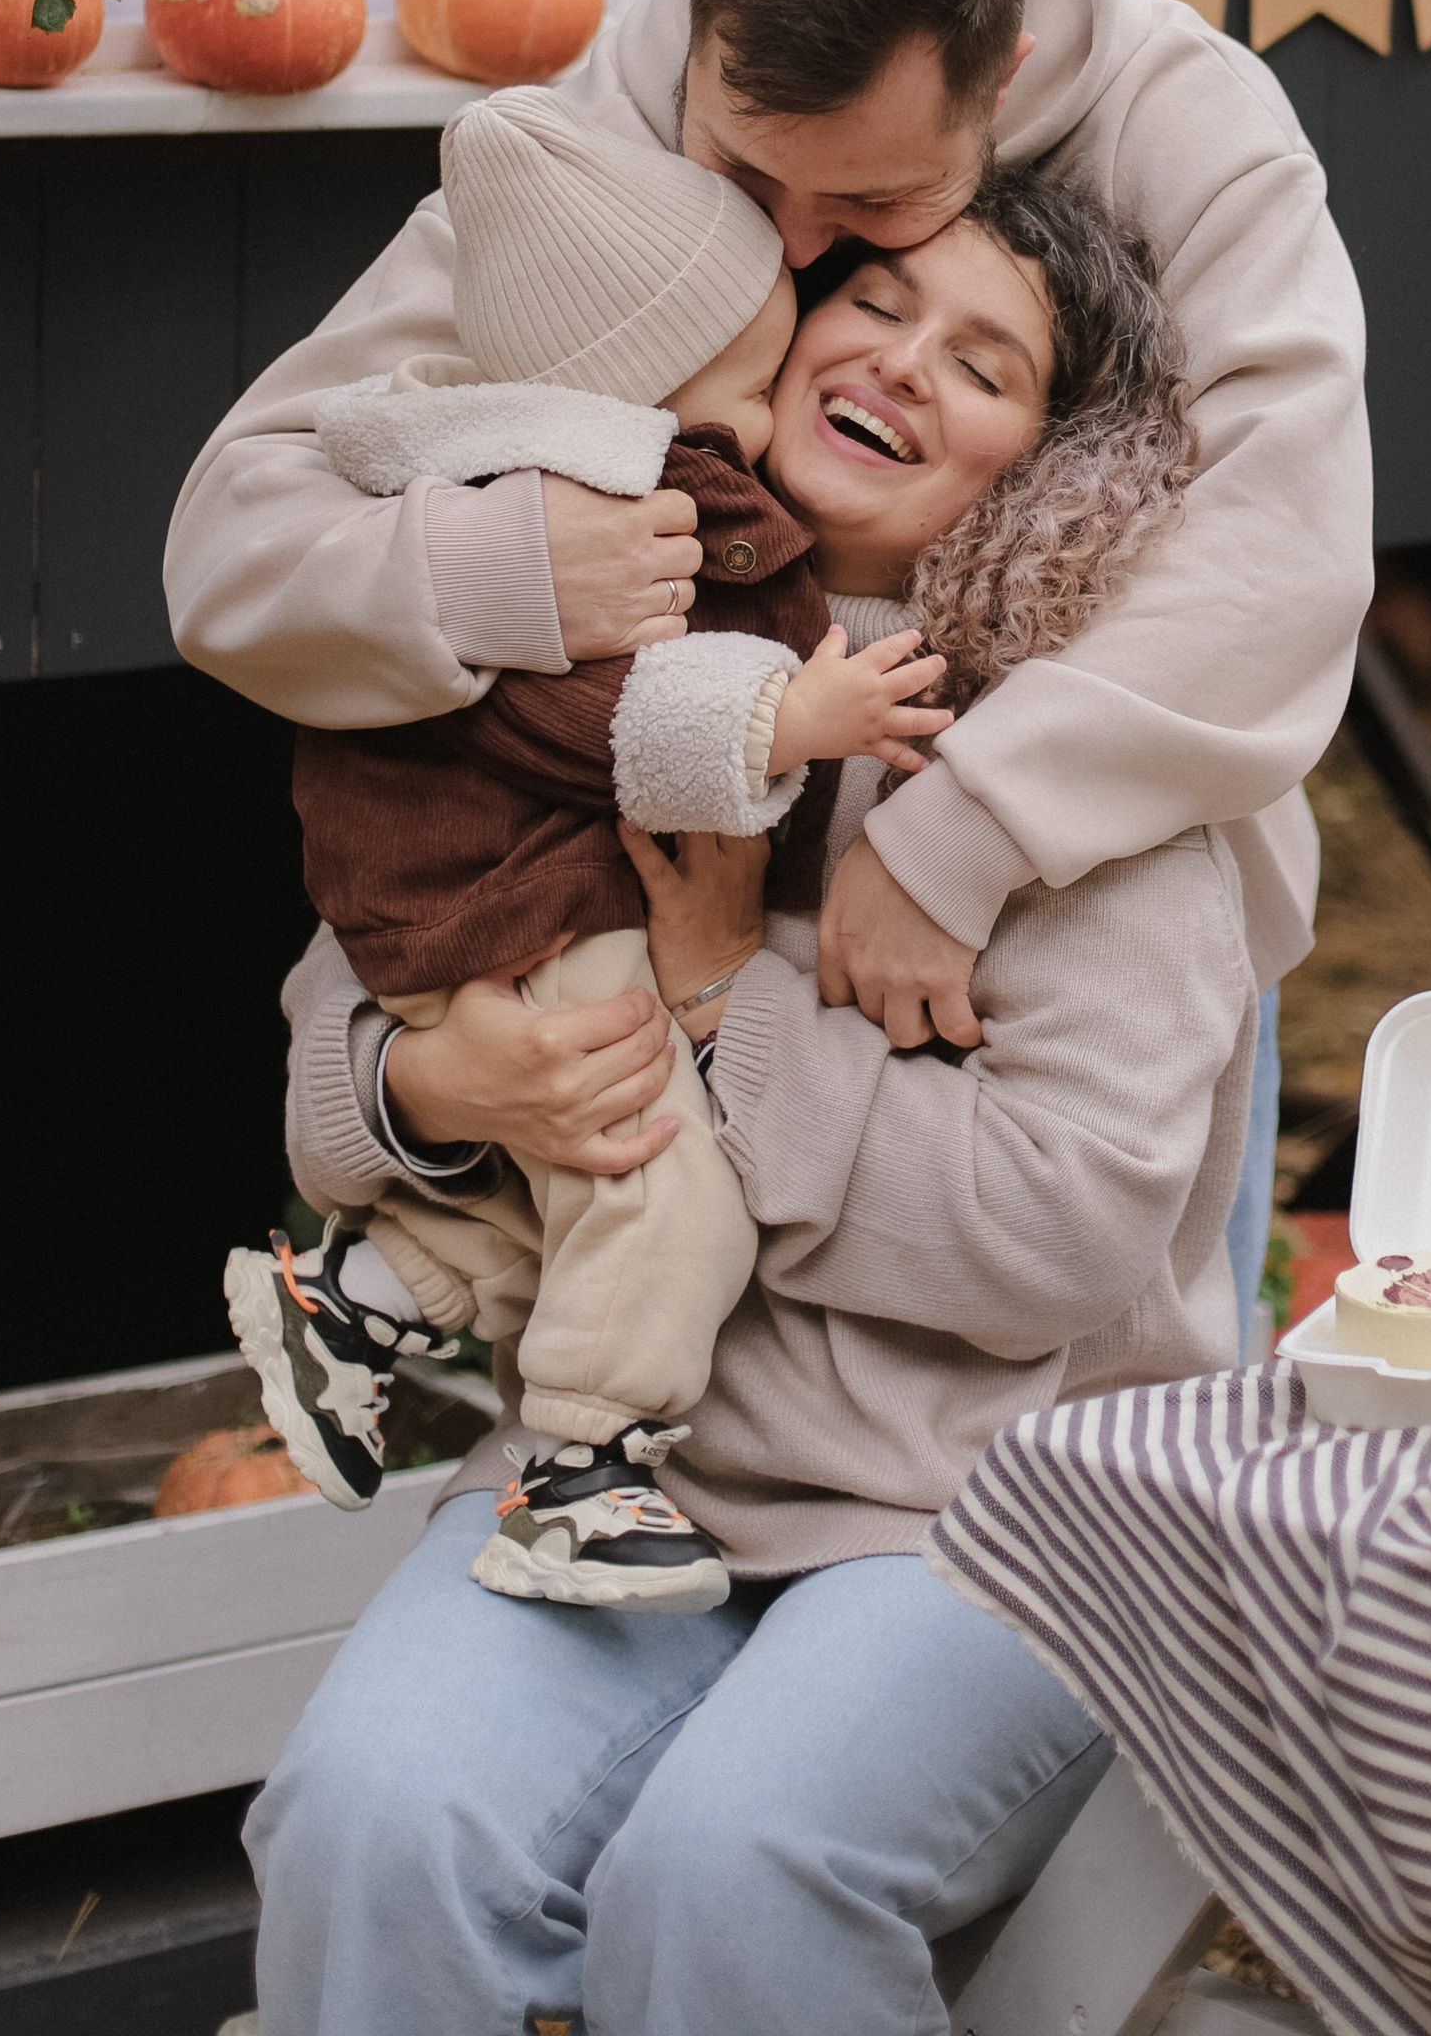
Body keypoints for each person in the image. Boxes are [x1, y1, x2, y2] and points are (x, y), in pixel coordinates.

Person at [168, 0, 1373, 1333]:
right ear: (700, 50)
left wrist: (963, 834)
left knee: (1121, 1439)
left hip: (1067, 941)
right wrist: (504, 567)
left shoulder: (1199, 130)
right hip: (662, 905)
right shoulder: (617, 111)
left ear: (1001, 86)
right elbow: (240, 531)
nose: (790, 250)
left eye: (869, 216)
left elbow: (1283, 554)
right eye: (739, 177)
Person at [244, 185, 1256, 2036]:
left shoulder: (1091, 746)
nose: (900, 361)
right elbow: (350, 1016)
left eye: (987, 360)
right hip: (623, 1478)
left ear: (1058, 459)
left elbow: (1058, 1228)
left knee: (731, 1874)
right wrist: (421, 1085)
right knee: (364, 1822)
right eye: (873, 300)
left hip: (992, 1510)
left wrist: (727, 1000)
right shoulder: (589, 624)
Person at [225, 82, 957, 1611]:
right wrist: (789, 715)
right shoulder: (596, 506)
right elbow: (610, 715)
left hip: (474, 895)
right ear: (647, 382)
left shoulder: (499, 470)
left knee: (552, 1176)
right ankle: (583, 1468)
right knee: (657, 1177)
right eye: (750, 383)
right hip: (517, 899)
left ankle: (361, 1297)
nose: (761, 419)